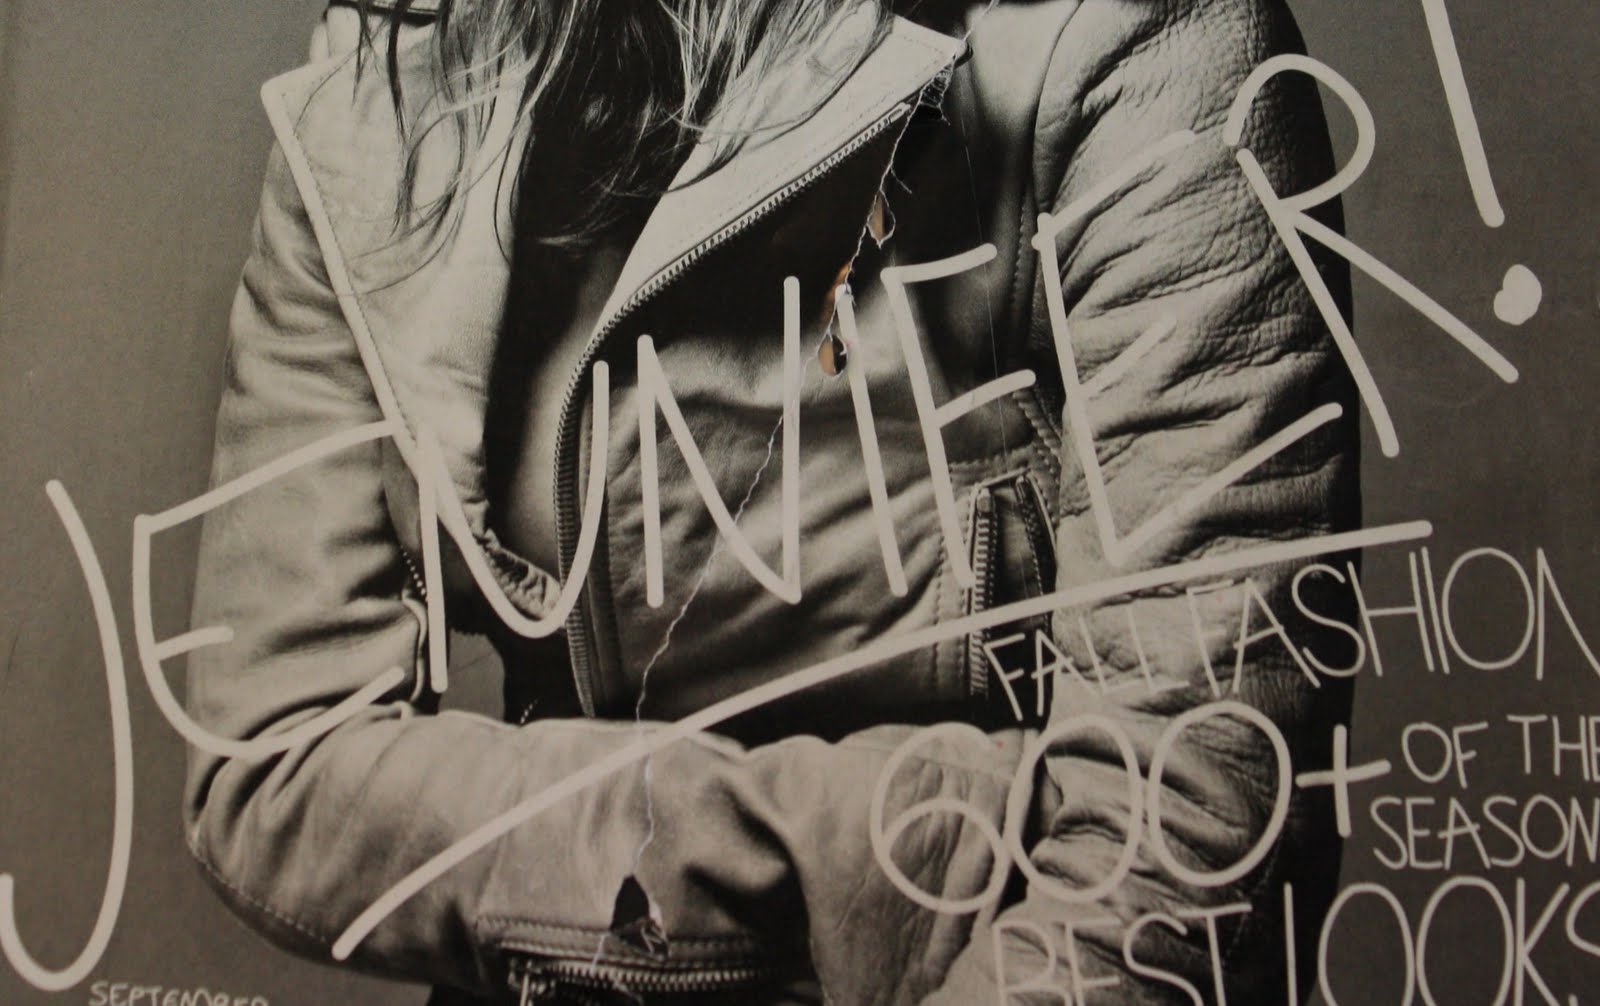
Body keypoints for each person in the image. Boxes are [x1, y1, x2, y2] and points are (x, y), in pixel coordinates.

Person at [184, 0, 1360, 1002]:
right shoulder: (398, 76)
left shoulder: (1134, 40)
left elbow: (1189, 845)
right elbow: (278, 765)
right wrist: (912, 838)